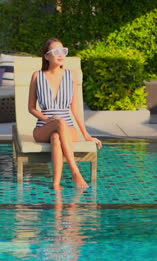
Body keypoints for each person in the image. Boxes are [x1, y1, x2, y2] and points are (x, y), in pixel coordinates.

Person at [28, 38, 102, 189]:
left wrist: (86, 135)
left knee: (57, 136)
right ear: (46, 56)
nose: (61, 55)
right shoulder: (37, 76)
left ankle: (55, 183)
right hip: (43, 128)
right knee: (57, 125)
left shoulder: (71, 75)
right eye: (56, 52)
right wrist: (48, 119)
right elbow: (31, 108)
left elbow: (75, 109)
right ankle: (75, 172)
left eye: (63, 51)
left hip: (69, 128)